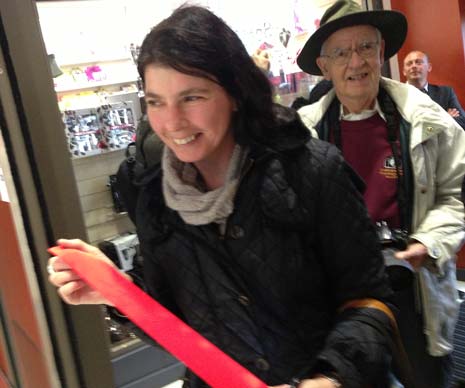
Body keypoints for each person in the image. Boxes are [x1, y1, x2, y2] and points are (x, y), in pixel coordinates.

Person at [48, 5, 396, 388]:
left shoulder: (311, 170)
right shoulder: (152, 193)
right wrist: (119, 293)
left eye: (192, 97)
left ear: (234, 93)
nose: (172, 122)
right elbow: (181, 329)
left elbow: (371, 303)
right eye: (155, 101)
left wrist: (330, 379)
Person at [296, 1, 465, 387]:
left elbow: (456, 195)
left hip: (412, 283)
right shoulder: (304, 135)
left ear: (382, 52)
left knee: (428, 378)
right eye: (341, 52)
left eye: (366, 47)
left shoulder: (428, 120)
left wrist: (429, 242)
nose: (356, 62)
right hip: (341, 297)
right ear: (324, 66)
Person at [403, 50, 465, 130]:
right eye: (409, 64)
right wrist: (444, 118)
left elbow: (463, 122)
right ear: (404, 71)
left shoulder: (446, 93)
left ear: (429, 67)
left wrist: (429, 125)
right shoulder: (397, 95)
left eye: (418, 62)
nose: (414, 66)